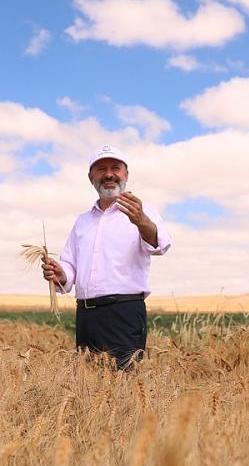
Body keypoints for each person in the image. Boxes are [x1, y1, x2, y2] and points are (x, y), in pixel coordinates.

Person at [41, 144, 172, 368]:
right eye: (101, 169)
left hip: (124, 312)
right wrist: (61, 273)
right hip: (85, 314)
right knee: (88, 385)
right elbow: (70, 265)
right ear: (91, 177)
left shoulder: (142, 211)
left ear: (126, 174)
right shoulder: (82, 221)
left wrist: (141, 221)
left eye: (115, 168)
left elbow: (160, 244)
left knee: (124, 386)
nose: (109, 174)